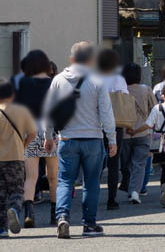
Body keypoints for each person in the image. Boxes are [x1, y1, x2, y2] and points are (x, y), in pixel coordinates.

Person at [42, 41, 116, 239]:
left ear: (71, 59)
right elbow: (106, 112)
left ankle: (62, 217)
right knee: (91, 182)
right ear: (91, 59)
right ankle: (89, 224)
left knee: (65, 180)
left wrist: (48, 136)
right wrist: (112, 138)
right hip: (93, 139)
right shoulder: (98, 80)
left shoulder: (58, 80)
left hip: (67, 138)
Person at [0, 80, 37, 238]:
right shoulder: (22, 112)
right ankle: (14, 209)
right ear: (12, 95)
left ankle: (2, 228)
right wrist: (23, 146)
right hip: (16, 158)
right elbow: (33, 133)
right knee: (17, 190)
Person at [15, 49, 58, 227]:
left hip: (29, 132)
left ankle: (29, 214)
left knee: (30, 177)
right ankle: (55, 214)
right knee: (53, 177)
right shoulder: (53, 83)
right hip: (51, 132)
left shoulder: (22, 84)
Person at [93, 48, 128, 211]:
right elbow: (124, 98)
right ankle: (111, 200)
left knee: (96, 163)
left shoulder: (93, 78)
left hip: (96, 124)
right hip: (116, 123)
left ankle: (92, 197)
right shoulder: (118, 79)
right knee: (114, 163)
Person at [137, 88, 165, 208]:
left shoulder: (157, 108)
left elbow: (148, 124)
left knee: (164, 167)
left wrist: (135, 131)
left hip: (159, 140)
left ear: (163, 96)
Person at [121, 62, 156, 205]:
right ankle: (135, 191)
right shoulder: (146, 90)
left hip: (124, 133)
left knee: (125, 164)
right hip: (142, 132)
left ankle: (129, 186)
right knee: (139, 164)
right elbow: (155, 109)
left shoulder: (121, 91)